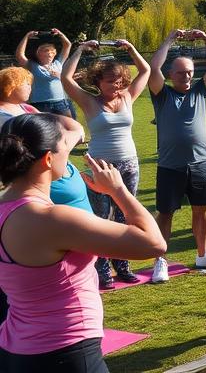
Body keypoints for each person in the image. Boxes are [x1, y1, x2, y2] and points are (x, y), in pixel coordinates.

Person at [0, 113, 167, 371]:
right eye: (65, 148)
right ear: (48, 159)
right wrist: (118, 190)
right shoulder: (52, 219)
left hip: (14, 351)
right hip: (66, 352)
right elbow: (153, 243)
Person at [61, 39, 153, 289]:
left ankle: (122, 266)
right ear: (97, 81)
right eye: (110, 81)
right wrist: (79, 49)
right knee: (101, 218)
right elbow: (66, 78)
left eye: (119, 80)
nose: (116, 85)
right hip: (101, 167)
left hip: (129, 164)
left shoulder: (127, 97)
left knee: (126, 215)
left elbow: (146, 71)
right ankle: (101, 270)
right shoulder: (89, 101)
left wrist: (131, 49)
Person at [147, 28, 206, 283]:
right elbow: (153, 68)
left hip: (200, 162)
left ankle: (203, 254)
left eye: (190, 72)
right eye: (181, 73)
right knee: (165, 213)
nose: (187, 77)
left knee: (201, 209)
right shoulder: (162, 94)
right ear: (171, 75)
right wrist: (169, 38)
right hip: (170, 165)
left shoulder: (199, 91)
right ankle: (160, 260)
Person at [14, 28, 73, 118]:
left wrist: (60, 34)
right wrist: (26, 37)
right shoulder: (32, 65)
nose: (50, 53)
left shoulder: (58, 63)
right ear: (38, 53)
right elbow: (19, 55)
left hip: (60, 103)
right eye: (46, 51)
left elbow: (68, 45)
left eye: (52, 51)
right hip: (40, 104)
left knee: (67, 128)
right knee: (43, 130)